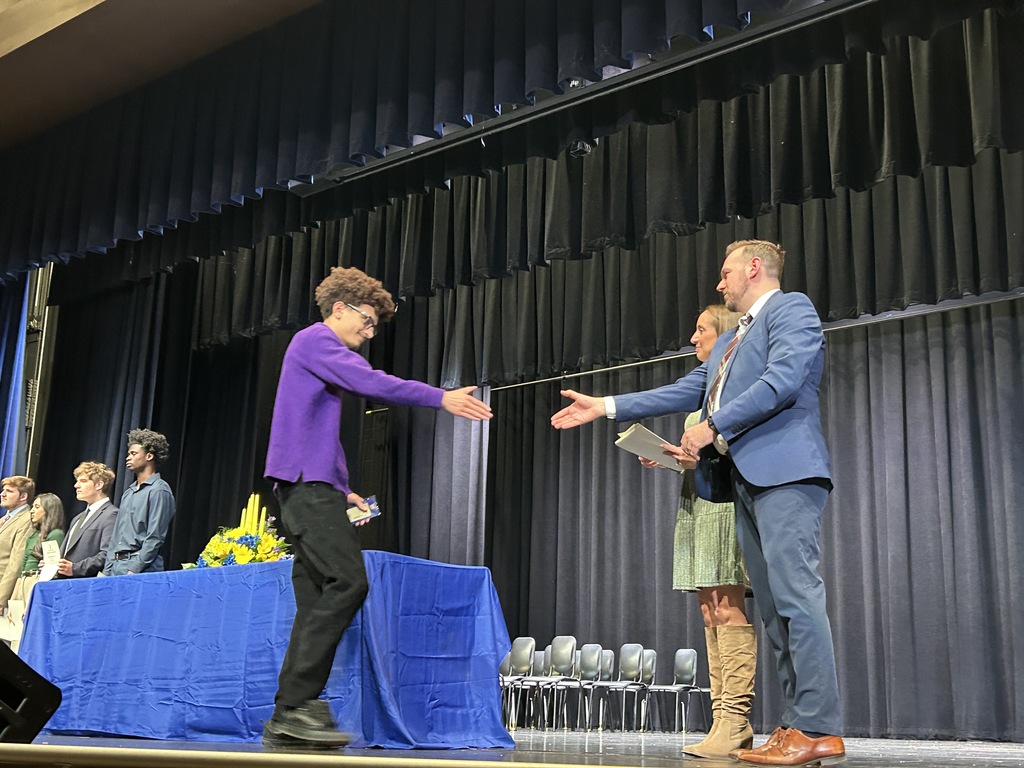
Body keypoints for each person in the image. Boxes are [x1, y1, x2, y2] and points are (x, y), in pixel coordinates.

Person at [552, 240, 844, 767]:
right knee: (775, 611)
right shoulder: (732, 341)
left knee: (797, 598)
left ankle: (820, 727)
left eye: (726, 272)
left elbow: (782, 380)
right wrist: (605, 405)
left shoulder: (791, 309)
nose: (720, 283)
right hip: (746, 483)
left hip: (786, 474)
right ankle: (795, 727)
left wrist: (714, 427)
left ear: (754, 268)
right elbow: (685, 390)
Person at [262, 266, 492, 750]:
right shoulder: (315, 340)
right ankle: (292, 706)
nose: (368, 334)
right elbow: (373, 383)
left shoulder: (317, 353)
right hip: (305, 488)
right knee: (349, 582)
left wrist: (342, 487)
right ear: (340, 309)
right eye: (366, 322)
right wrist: (440, 398)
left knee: (315, 601)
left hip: (311, 485)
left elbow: (316, 429)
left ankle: (294, 711)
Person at [630, 304, 757, 758]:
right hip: (695, 506)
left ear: (723, 334)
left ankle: (736, 720)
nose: (693, 336)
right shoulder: (704, 388)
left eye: (701, 329)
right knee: (708, 612)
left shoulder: (737, 384)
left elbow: (740, 445)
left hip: (722, 507)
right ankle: (721, 719)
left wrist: (697, 458)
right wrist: (671, 459)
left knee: (727, 607)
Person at [103, 430, 175, 575]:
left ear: (149, 456)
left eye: (133, 454)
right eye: (129, 454)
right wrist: (107, 570)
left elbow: (155, 536)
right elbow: (117, 535)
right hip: (117, 566)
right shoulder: (129, 492)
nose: (127, 458)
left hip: (141, 568)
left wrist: (134, 569)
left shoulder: (159, 490)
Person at [8, 493, 66, 633]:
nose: (32, 510)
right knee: (14, 630)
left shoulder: (55, 534)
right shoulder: (34, 534)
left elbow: (51, 569)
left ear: (49, 509)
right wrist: (14, 598)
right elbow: (24, 565)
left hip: (35, 582)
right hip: (24, 581)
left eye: (37, 507)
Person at [58, 462, 119, 578]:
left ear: (99, 485)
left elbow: (108, 554)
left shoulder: (111, 514)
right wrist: (53, 565)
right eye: (77, 481)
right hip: (64, 584)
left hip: (85, 585)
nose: (76, 485)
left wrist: (75, 568)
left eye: (83, 481)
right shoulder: (77, 518)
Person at [0, 476, 36, 620]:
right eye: (3, 490)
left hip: (5, 592)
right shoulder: (5, 519)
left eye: (9, 491)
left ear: (23, 496)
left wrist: (1, 597)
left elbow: (16, 562)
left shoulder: (26, 519)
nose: (2, 494)